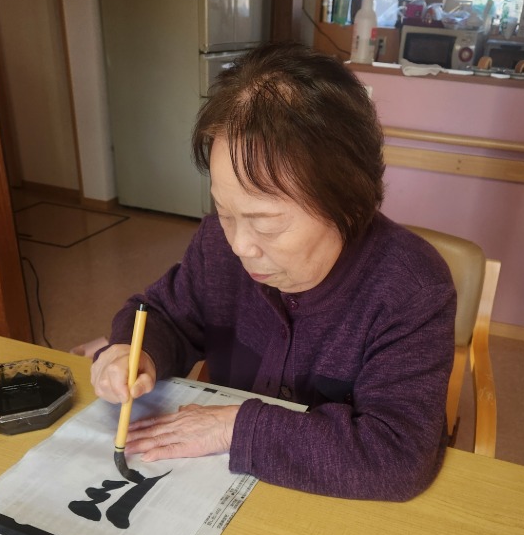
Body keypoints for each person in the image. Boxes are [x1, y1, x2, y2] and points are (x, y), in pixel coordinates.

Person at [91, 42, 456, 501]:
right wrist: (132, 350)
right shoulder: (216, 245)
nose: (240, 245)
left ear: (349, 200)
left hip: (333, 506)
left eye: (266, 223)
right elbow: (162, 314)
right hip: (226, 489)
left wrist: (234, 427)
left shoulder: (410, 287)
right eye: (225, 212)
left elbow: (397, 457)